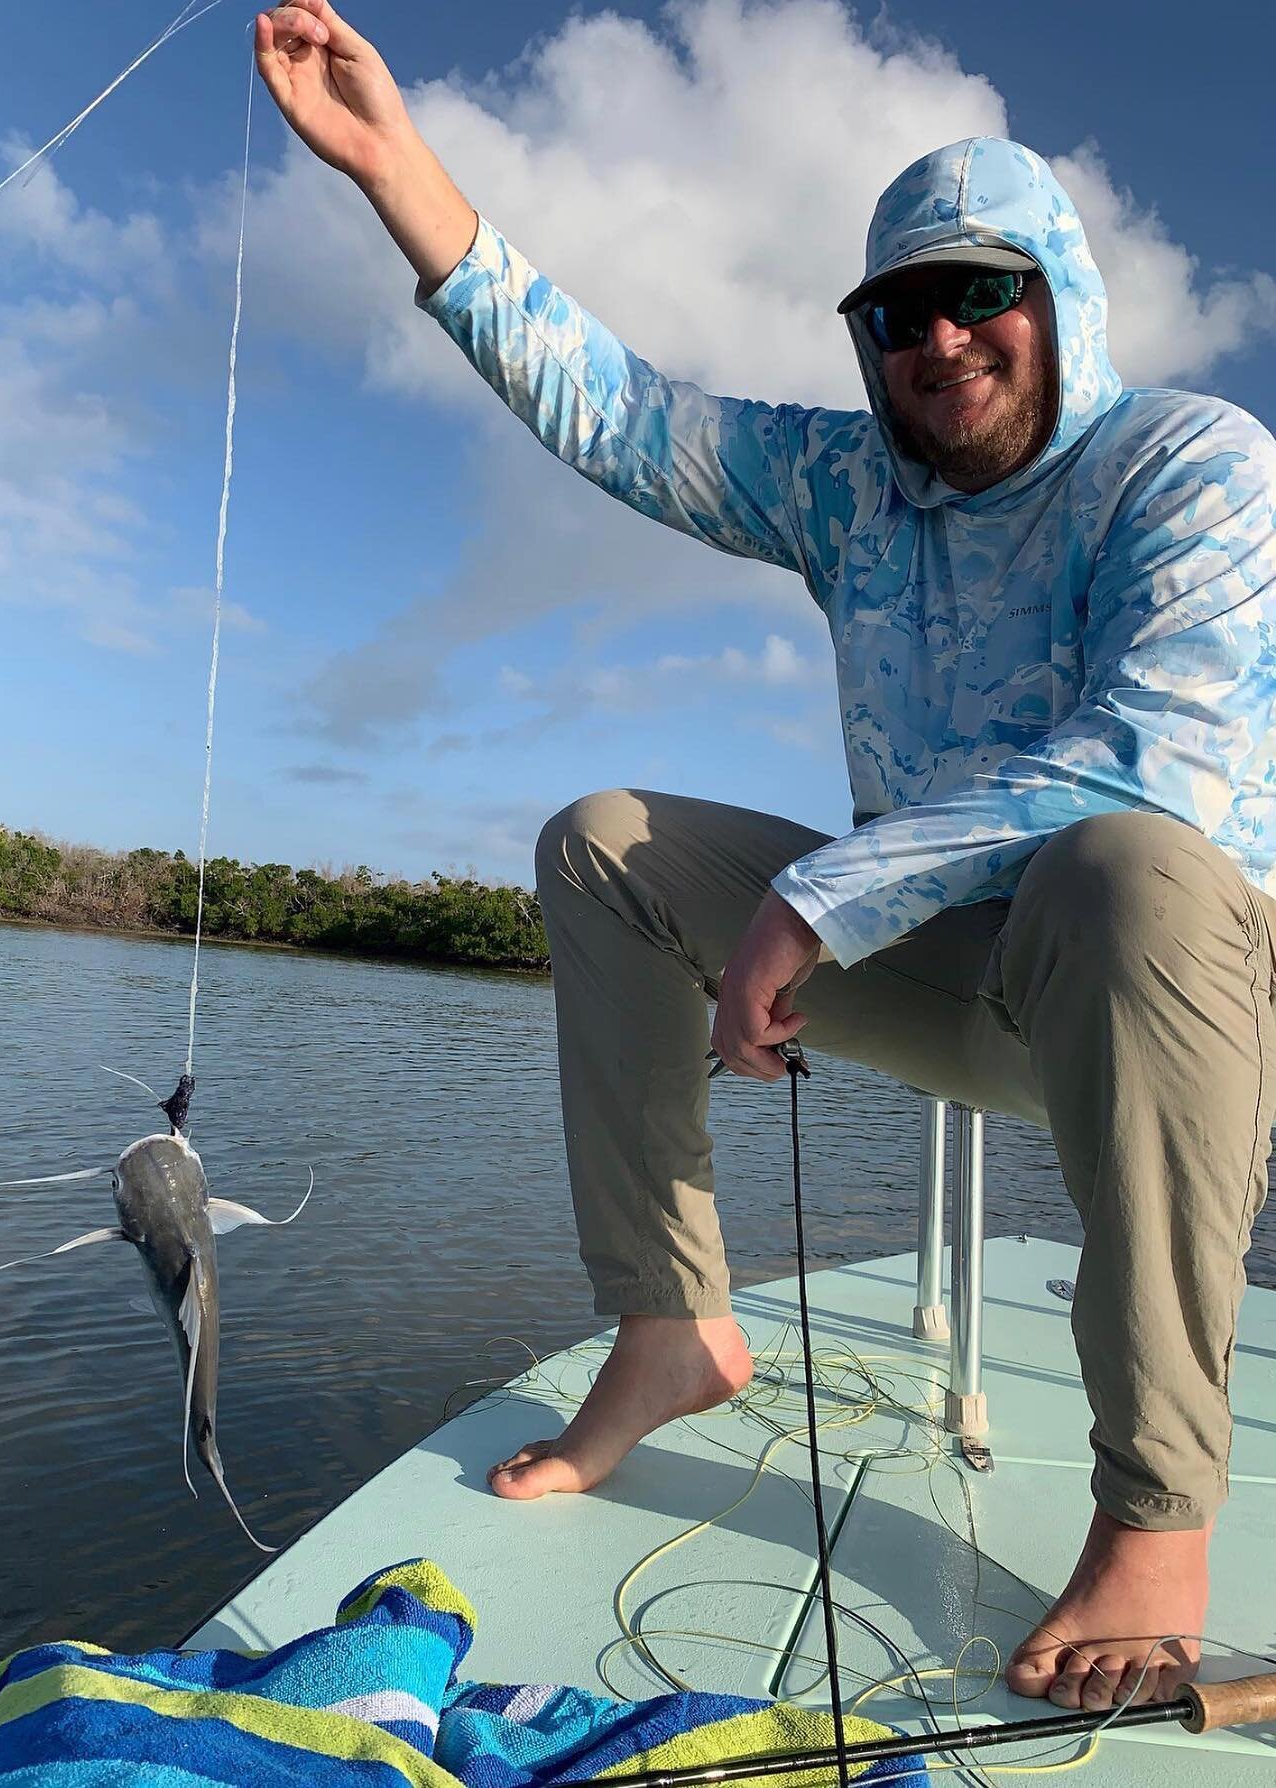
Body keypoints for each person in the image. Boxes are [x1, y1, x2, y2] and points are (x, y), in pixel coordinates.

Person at [254, 0, 1276, 1719]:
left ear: (1062, 301)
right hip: (955, 977)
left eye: (982, 291)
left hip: (1174, 999)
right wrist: (392, 165)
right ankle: (670, 1328)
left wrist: (820, 894)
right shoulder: (846, 487)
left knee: (1130, 865)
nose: (939, 338)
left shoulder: (1193, 466)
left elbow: (1149, 756)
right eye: (897, 311)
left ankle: (1158, 1513)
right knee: (605, 848)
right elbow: (618, 412)